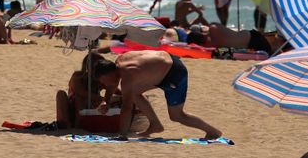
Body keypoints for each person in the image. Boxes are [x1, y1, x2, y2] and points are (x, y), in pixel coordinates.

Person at [94, 51, 222, 139]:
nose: (105, 85)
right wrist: (106, 100)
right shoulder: (120, 60)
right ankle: (155, 125)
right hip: (166, 63)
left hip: (174, 73)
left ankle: (213, 132)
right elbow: (113, 83)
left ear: (108, 74)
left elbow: (126, 108)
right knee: (135, 93)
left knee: (177, 116)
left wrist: (122, 135)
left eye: (104, 81)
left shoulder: (128, 75)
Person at [189, 23, 272, 54]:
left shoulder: (211, 43)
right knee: (272, 52)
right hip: (251, 36)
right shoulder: (213, 26)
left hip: (253, 41)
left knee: (272, 53)